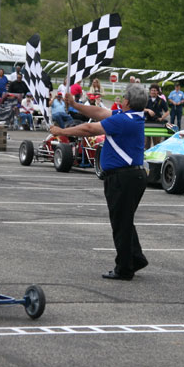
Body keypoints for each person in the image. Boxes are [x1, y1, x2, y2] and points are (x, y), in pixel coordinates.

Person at [49, 83, 149, 280]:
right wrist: (76, 106)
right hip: (130, 176)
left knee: (120, 223)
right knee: (124, 220)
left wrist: (61, 131)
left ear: (127, 102)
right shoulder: (131, 117)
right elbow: (99, 112)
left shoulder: (123, 121)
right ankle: (135, 257)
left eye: (122, 98)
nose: (120, 100)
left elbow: (88, 128)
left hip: (123, 177)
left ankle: (124, 268)